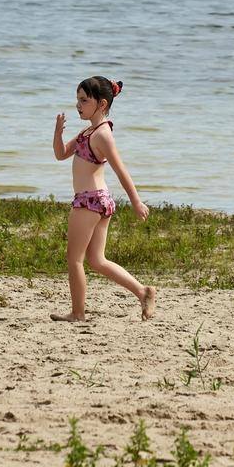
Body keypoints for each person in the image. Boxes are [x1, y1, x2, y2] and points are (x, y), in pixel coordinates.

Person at [51, 76, 155, 322]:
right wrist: (57, 133)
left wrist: (136, 201)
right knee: (96, 260)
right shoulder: (88, 131)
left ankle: (77, 313)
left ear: (102, 103)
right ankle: (143, 291)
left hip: (89, 201)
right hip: (98, 199)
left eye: (84, 100)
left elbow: (121, 170)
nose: (78, 105)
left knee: (74, 259)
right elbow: (61, 154)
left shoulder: (102, 135)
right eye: (77, 99)